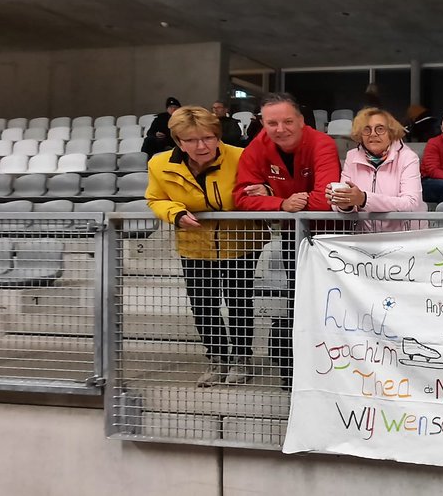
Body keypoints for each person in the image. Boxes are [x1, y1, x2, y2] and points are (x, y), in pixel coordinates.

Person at [144, 106, 265, 387]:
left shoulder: (242, 156)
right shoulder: (159, 164)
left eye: (209, 138)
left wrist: (263, 192)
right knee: (203, 304)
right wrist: (174, 212)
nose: (202, 146)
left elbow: (262, 188)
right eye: (192, 140)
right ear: (178, 142)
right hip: (194, 243)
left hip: (241, 240)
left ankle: (241, 358)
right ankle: (217, 358)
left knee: (238, 302)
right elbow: (155, 199)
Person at [233, 92, 341, 389]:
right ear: (262, 124)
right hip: (292, 236)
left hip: (331, 237)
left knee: (331, 306)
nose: (280, 128)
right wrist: (281, 204)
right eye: (272, 123)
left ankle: (335, 371)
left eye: (287, 121)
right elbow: (240, 198)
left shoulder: (322, 143)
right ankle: (293, 376)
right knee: (297, 303)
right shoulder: (257, 147)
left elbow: (325, 199)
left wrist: (276, 198)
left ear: (302, 121)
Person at [328, 107, 423, 232]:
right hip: (365, 240)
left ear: (391, 132)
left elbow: (411, 203)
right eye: (367, 129)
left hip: (403, 240)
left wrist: (364, 199)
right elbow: (344, 207)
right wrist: (344, 203)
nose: (373, 134)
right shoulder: (352, 156)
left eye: (380, 129)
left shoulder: (408, 157)